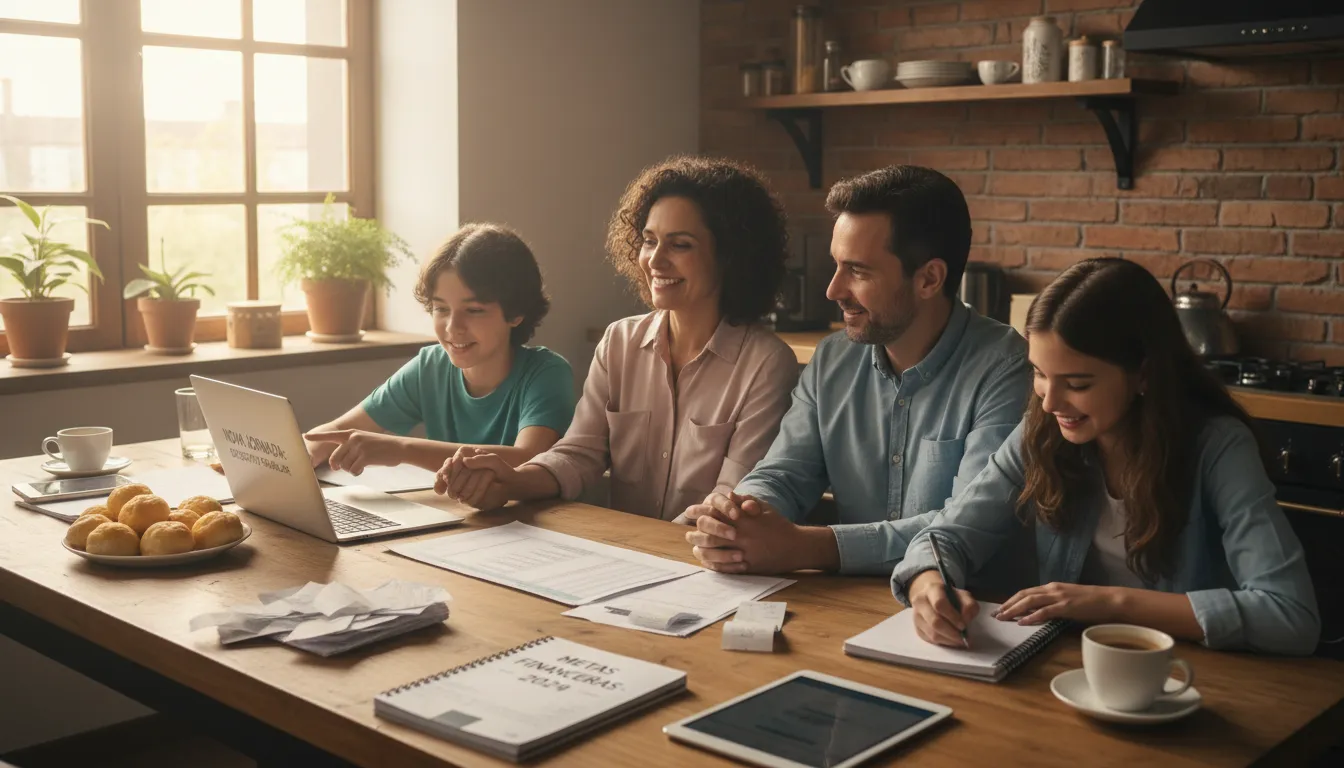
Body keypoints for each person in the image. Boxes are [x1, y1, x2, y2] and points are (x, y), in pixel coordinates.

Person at [894, 258, 1320, 656]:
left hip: (1190, 680)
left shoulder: (1219, 446)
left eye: (1077, 384)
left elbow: (1290, 614)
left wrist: (1109, 602)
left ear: (1144, 374)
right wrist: (927, 586)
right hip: (1072, 669)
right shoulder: (1041, 432)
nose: (1049, 403)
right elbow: (945, 537)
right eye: (1040, 375)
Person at [682, 165, 1030, 577]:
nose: (833, 290)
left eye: (858, 271)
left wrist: (806, 548)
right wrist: (741, 515)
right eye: (836, 265)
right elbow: (784, 473)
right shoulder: (833, 359)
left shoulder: (1009, 368)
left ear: (929, 279)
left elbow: (964, 524)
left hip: (967, 610)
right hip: (842, 605)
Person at [436, 156, 799, 520]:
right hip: (627, 556)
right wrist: (510, 481)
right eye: (649, 240)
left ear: (730, 256)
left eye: (680, 245)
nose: (655, 260)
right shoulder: (620, 342)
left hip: (704, 562)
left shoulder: (765, 364)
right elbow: (579, 454)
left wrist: (653, 547)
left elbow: (730, 497)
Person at [303, 223, 575, 474]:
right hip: (457, 519)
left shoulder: (546, 373)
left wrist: (401, 449)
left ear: (516, 312)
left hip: (532, 524)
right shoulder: (430, 367)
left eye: (474, 310)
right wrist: (303, 455)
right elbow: (338, 431)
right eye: (441, 309)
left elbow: (526, 460)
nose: (453, 327)